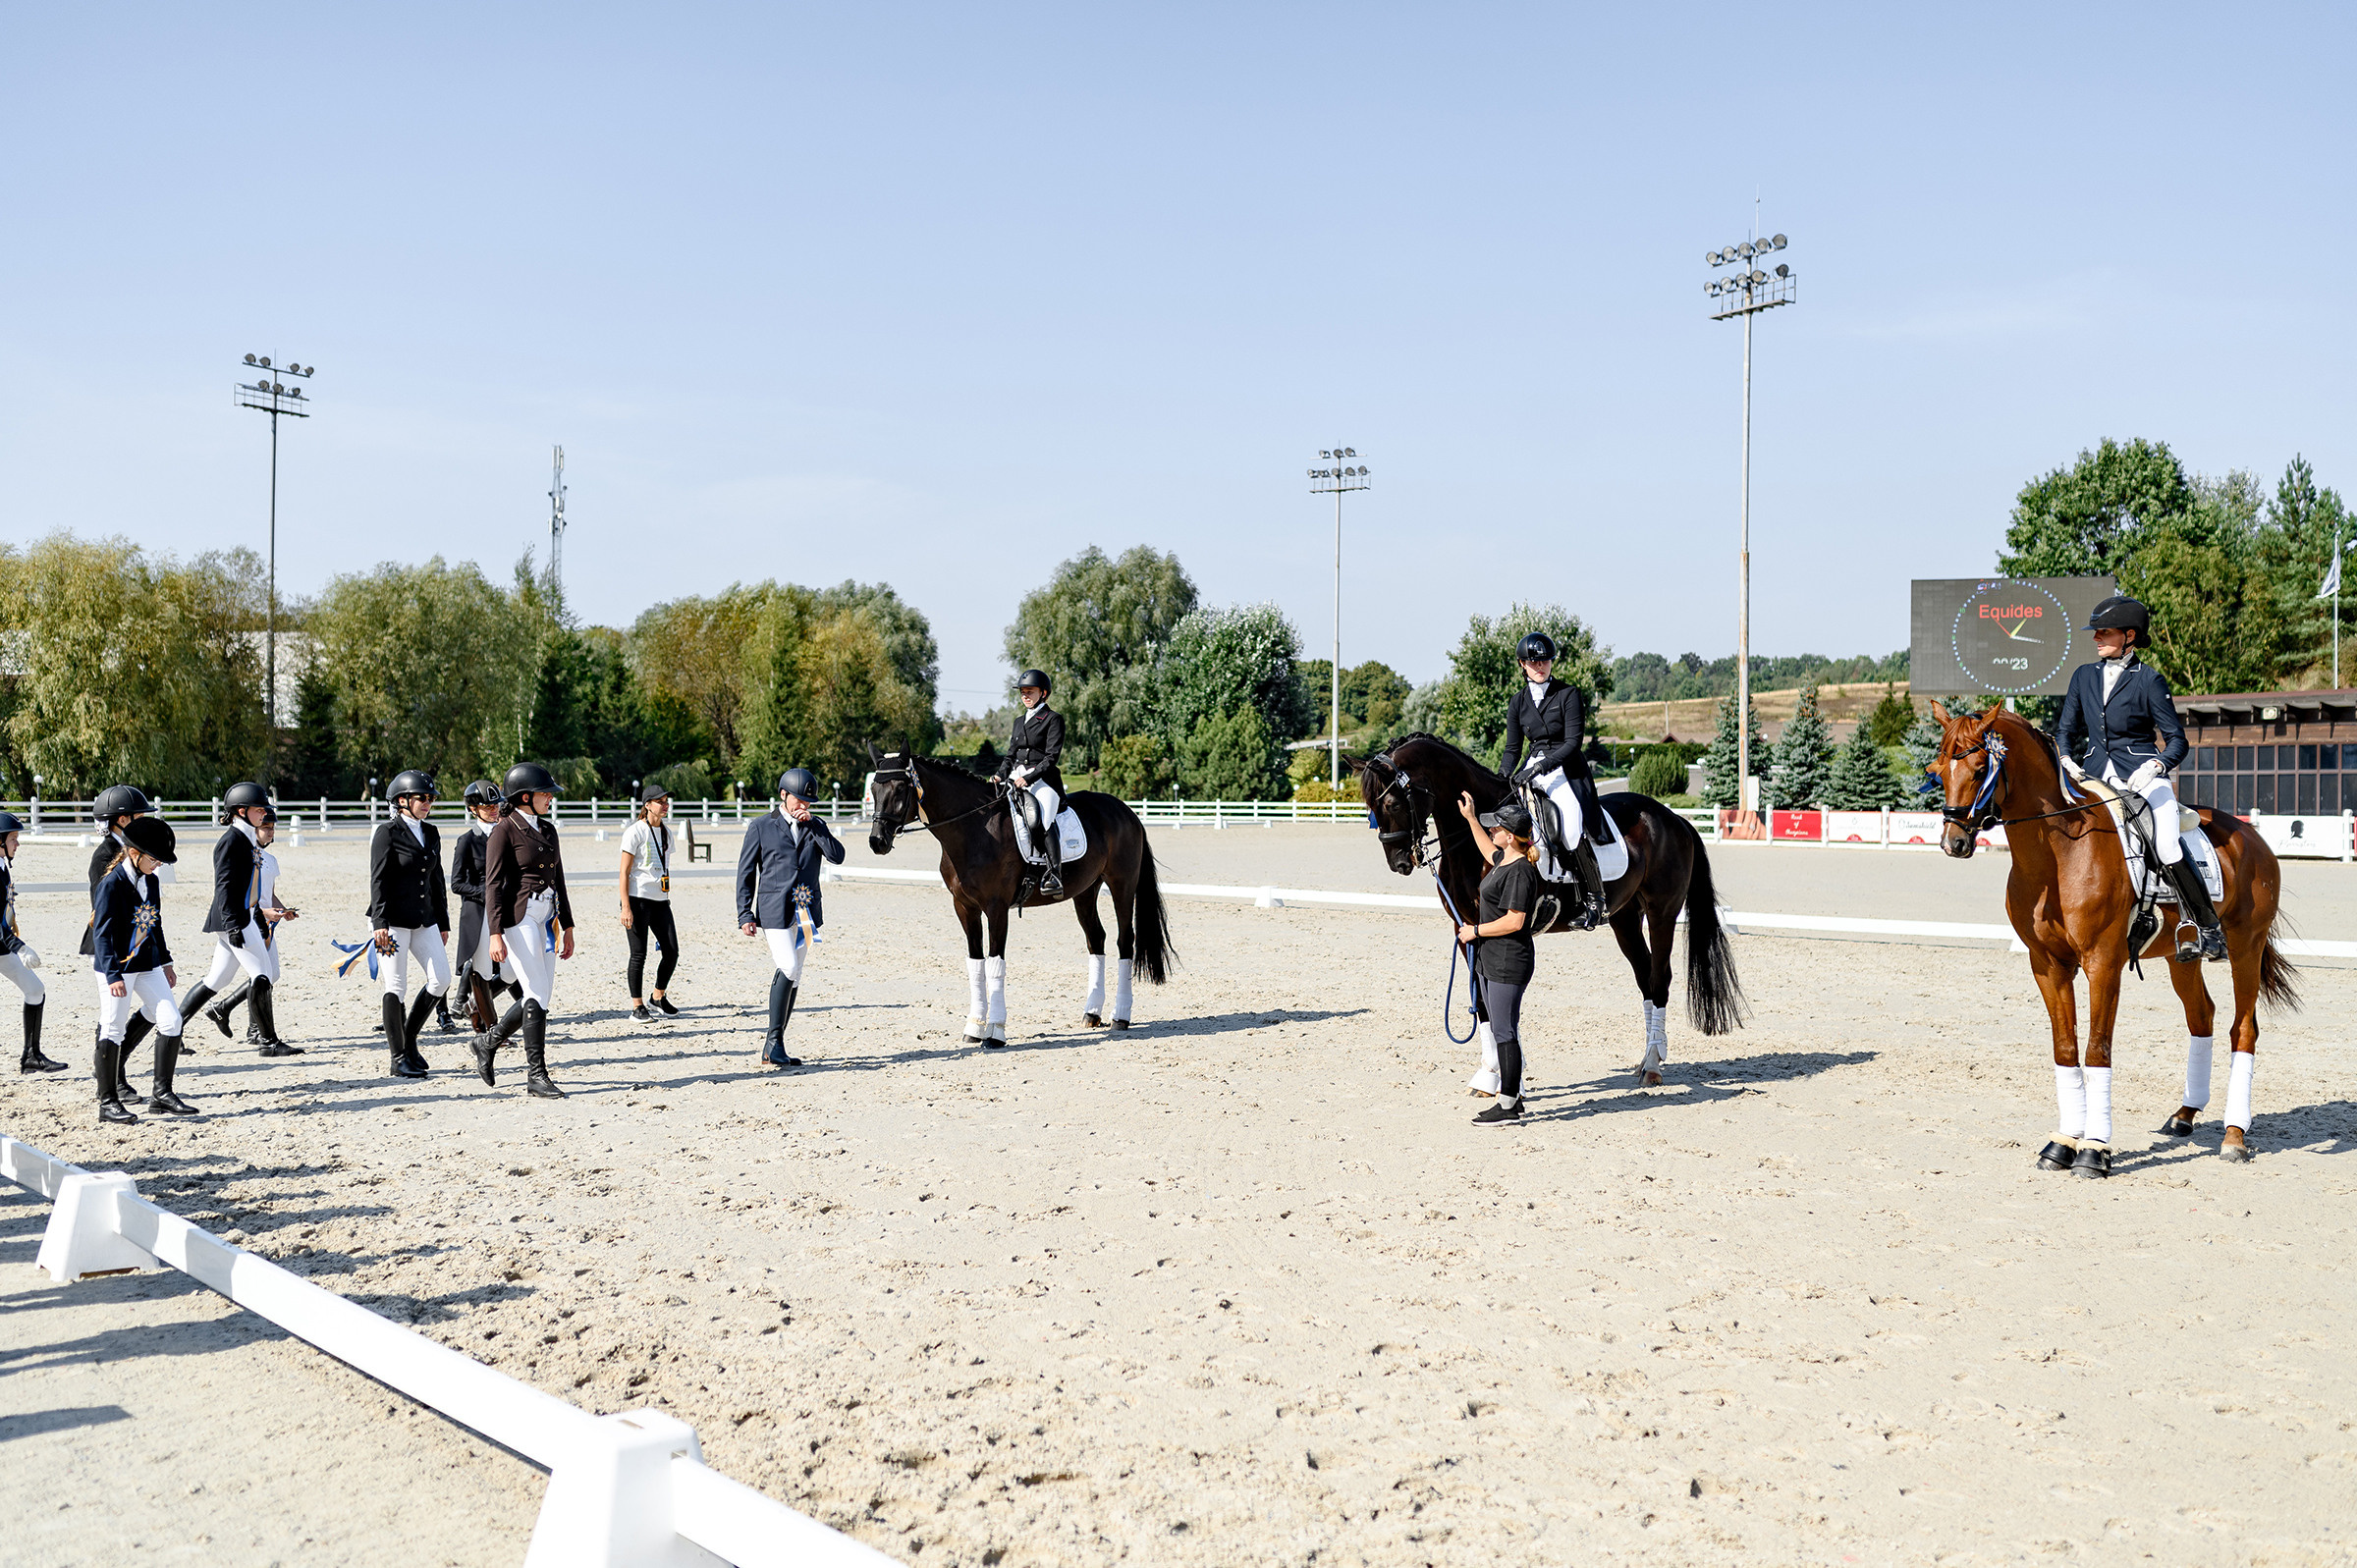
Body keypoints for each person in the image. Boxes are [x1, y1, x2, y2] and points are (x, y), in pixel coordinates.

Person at [2055, 595, 2224, 962]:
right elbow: (2065, 729)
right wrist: (2066, 758)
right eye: (2096, 632)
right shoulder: (2083, 676)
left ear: (2130, 635)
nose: (2096, 637)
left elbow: (2178, 739)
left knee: (2166, 844)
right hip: (2093, 776)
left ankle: (2207, 927)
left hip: (2143, 775)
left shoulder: (2149, 680)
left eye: (2105, 631)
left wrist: (2158, 765)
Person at [470, 762, 574, 1099]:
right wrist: (496, 932)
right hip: (521, 916)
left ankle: (488, 1042)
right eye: (545, 793)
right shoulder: (504, 830)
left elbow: (559, 880)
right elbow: (494, 885)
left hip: (548, 916)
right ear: (526, 796)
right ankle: (536, 1074)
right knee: (536, 992)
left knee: (540, 995)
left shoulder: (548, 829)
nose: (550, 798)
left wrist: (568, 925)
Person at [177, 782, 300, 1060]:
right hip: (234, 919)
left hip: (243, 916)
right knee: (262, 975)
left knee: (216, 979)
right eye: (259, 810)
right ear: (241, 811)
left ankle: (172, 1030)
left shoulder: (246, 840)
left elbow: (251, 888)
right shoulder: (231, 841)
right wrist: (235, 925)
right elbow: (224, 887)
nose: (264, 814)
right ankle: (268, 1041)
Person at [736, 767, 845, 1068]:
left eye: (808, 802)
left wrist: (818, 827)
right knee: (788, 965)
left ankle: (776, 1044)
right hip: (774, 909)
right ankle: (773, 1042)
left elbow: (838, 856)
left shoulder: (815, 825)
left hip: (807, 910)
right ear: (783, 796)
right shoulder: (761, 826)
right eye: (798, 800)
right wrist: (745, 912)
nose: (804, 806)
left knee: (796, 974)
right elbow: (745, 873)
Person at [1496, 631, 1604, 929]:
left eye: (1544, 660)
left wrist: (1542, 766)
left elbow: (1573, 743)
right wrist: (1503, 777)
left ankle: (1595, 900)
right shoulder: (1517, 702)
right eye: (1533, 661)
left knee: (1569, 826)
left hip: (1564, 768)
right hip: (1531, 766)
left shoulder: (1568, 694)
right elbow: (1512, 748)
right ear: (1522, 664)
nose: (1539, 665)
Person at [92, 815, 191, 1122]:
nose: (159, 864)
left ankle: (162, 1094)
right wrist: (112, 976)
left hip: (146, 963)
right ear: (134, 854)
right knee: (113, 1026)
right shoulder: (112, 884)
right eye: (155, 859)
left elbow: (154, 922)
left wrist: (166, 960)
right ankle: (107, 1101)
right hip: (116, 967)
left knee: (171, 1020)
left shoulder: (151, 880)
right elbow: (102, 934)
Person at [1453, 792, 1541, 1127]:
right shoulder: (1503, 859)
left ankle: (1508, 1104)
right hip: (1492, 958)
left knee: (1505, 1031)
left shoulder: (1520, 871)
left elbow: (1515, 921)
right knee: (1503, 1028)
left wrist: (1475, 931)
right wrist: (1471, 818)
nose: (1492, 833)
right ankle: (1511, 1099)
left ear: (1509, 834)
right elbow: (1483, 846)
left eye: (1496, 829)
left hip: (1508, 960)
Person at [366, 771, 454, 1079]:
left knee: (440, 979)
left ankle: (410, 1038)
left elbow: (436, 880)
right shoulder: (386, 833)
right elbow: (377, 880)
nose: (427, 803)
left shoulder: (431, 832)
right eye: (422, 798)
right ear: (402, 801)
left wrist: (442, 921)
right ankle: (398, 1056)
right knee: (396, 985)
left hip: (424, 919)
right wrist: (379, 922)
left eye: (430, 798)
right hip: (390, 922)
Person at [81, 784, 159, 1090]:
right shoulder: (106, 856)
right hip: (111, 943)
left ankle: (115, 1063)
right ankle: (112, 1073)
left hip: (136, 940)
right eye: (139, 816)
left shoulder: (133, 848)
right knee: (113, 1011)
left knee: (152, 1009)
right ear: (122, 820)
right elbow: (106, 907)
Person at [0, 810, 65, 1073]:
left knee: (35, 989)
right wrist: (20, 946)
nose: (18, 844)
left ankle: (31, 1055)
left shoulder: (2, 866)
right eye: (13, 838)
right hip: (5, 943)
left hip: (2, 946)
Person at [449, 779, 515, 1030]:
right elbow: (457, 883)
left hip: (506, 910)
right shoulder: (467, 841)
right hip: (479, 913)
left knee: (510, 972)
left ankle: (474, 1006)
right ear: (474, 809)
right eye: (487, 807)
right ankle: (491, 1028)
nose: (494, 809)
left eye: (495, 804)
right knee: (484, 972)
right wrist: (487, 892)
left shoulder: (506, 834)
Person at [996, 669, 1067, 896]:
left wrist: (1028, 778)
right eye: (1023, 692)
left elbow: (1051, 758)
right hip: (1015, 777)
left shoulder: (1053, 719)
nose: (1025, 695)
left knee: (1041, 821)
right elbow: (1010, 754)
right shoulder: (1019, 721)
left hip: (1043, 781)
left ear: (1043, 693)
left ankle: (1053, 874)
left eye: (1030, 691)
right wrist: (999, 774)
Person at [620, 783, 682, 1022]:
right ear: (647, 805)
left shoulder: (666, 832)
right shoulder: (635, 831)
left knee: (672, 951)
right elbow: (624, 872)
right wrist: (625, 906)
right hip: (637, 899)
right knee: (639, 954)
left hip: (661, 900)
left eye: (667, 801)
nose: (665, 805)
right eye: (660, 802)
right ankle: (637, 1006)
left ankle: (657, 997)